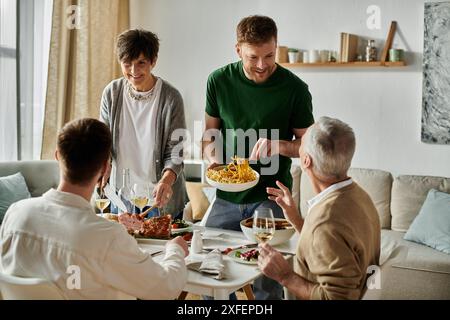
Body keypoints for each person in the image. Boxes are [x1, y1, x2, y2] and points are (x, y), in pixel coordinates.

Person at [0, 118, 189, 299]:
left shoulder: (15, 213)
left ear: (57, 156)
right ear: (106, 168)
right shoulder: (107, 237)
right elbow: (165, 289)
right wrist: (175, 250)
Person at [201, 15, 314, 299]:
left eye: (269, 55)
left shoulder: (295, 89)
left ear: (277, 47)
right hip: (227, 195)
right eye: (253, 57)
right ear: (238, 49)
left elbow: (309, 147)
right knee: (209, 267)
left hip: (272, 196)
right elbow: (209, 135)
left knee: (268, 280)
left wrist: (279, 146)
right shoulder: (218, 81)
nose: (262, 65)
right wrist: (212, 158)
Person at [261, 117, 381, 300]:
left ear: (306, 161)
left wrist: (285, 276)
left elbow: (338, 298)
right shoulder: (359, 196)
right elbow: (330, 246)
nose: (298, 146)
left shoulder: (326, 223)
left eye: (301, 143)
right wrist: (295, 218)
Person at [100, 29, 187, 217]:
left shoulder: (171, 98)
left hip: (160, 199)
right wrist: (103, 164)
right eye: (127, 64)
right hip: (122, 198)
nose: (134, 71)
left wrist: (166, 180)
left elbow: (176, 151)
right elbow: (103, 141)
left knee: (165, 248)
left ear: (153, 61)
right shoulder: (111, 93)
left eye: (141, 63)